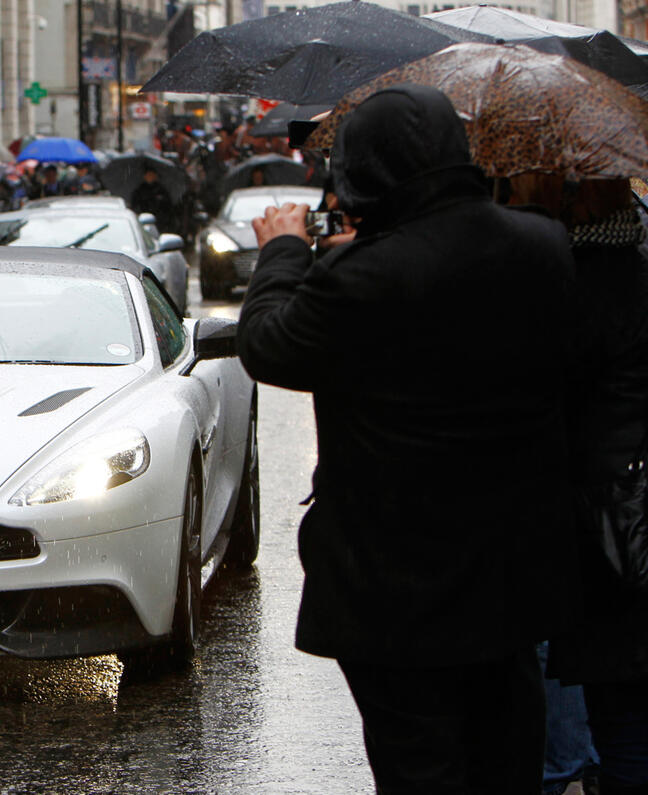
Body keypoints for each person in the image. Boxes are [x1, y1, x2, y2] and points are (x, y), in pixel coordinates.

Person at [235, 84, 576, 792]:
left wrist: (287, 250)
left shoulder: (363, 278)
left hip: (395, 588)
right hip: (511, 572)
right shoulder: (542, 245)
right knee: (504, 757)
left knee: (420, 766)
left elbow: (269, 345)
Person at [532, 175, 648, 795]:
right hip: (625, 507)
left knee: (621, 706)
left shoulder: (587, 281)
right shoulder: (634, 265)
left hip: (610, 518)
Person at [130, 166, 176, 234]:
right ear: (144, 176)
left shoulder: (162, 190)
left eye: (151, 175)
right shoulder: (139, 190)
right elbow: (135, 206)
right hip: (143, 222)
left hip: (159, 223)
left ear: (155, 176)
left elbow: (168, 208)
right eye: (148, 175)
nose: (150, 177)